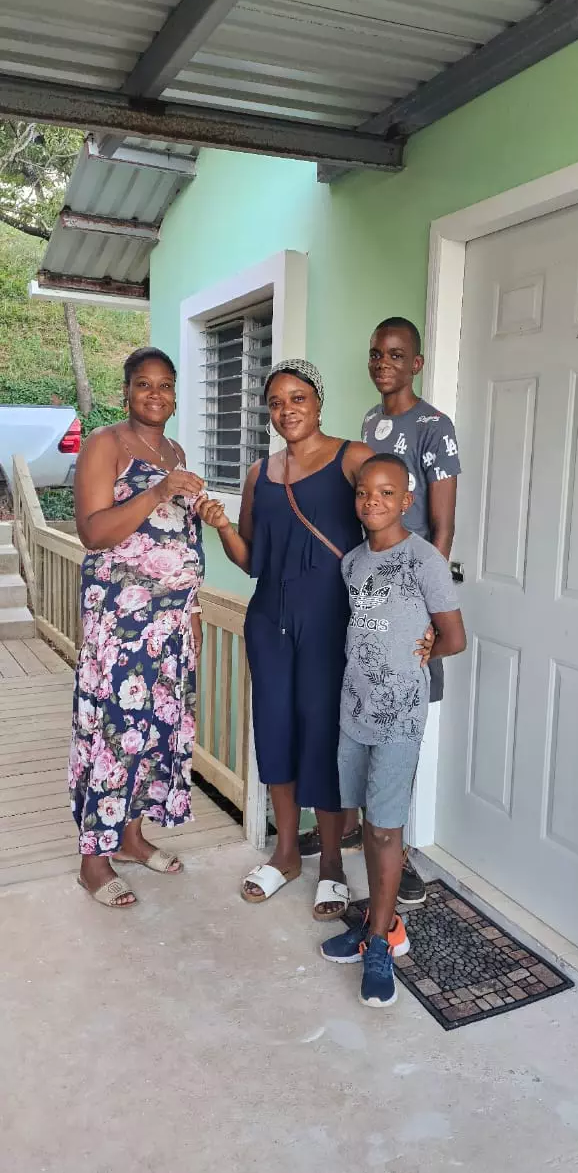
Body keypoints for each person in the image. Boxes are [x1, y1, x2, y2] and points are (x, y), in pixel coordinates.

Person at [198, 359, 376, 920]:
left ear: (318, 403)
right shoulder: (259, 473)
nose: (286, 410)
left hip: (331, 620)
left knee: (322, 732)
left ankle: (329, 862)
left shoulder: (354, 459)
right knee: (274, 728)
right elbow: (251, 560)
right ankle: (284, 853)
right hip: (269, 617)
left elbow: (389, 535)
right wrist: (223, 527)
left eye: (297, 398)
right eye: (276, 402)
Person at [321, 454, 466, 1007]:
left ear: (406, 501)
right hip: (353, 710)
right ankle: (374, 926)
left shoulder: (423, 560)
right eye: (364, 493)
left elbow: (454, 637)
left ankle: (382, 939)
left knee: (385, 829)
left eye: (387, 493)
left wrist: (428, 648)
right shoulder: (353, 563)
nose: (373, 502)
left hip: (400, 716)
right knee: (364, 823)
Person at [69, 347, 206, 907]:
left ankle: (129, 838)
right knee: (110, 735)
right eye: (144, 384)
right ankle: (92, 861)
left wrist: (192, 612)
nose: (156, 394)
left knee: (151, 733)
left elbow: (182, 539)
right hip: (121, 627)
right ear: (125, 390)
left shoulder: (172, 450)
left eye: (166, 385)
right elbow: (93, 532)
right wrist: (157, 491)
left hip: (170, 627)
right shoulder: (106, 444)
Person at [358, 315, 461, 904]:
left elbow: (442, 527)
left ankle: (406, 852)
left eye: (396, 355)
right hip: (372, 593)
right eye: (376, 354)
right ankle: (377, 838)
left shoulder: (434, 427)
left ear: (415, 364)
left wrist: (426, 605)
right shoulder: (372, 422)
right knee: (372, 709)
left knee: (408, 716)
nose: (383, 363)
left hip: (412, 601)